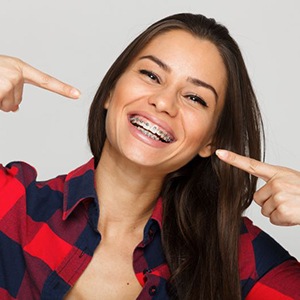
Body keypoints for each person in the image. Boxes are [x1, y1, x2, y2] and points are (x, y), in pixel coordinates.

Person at [0, 13, 300, 300]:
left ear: (210, 141)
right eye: (151, 75)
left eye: (195, 97)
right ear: (110, 90)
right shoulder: (12, 204)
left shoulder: (234, 255)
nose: (163, 102)